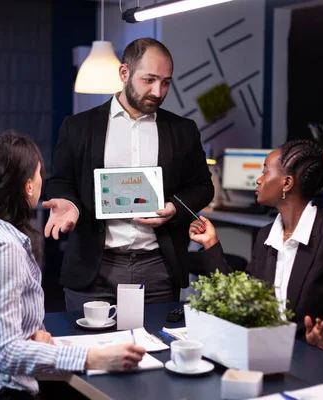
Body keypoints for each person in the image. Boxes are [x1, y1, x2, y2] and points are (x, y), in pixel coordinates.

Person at [0, 133, 145, 400]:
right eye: (39, 173)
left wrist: (32, 336)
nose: (42, 179)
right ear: (28, 187)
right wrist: (94, 358)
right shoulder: (3, 247)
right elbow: (7, 352)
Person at [44, 38, 214, 312]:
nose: (158, 91)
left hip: (159, 268)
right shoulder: (78, 127)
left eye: (166, 82)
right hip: (94, 267)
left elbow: (203, 187)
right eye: (149, 80)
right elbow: (62, 181)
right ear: (124, 73)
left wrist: (174, 207)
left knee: (157, 348)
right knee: (88, 349)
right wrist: (69, 203)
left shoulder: (183, 130)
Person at [189, 139, 323, 352]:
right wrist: (211, 244)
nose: (258, 180)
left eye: (265, 172)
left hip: (315, 360)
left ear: (287, 183)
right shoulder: (266, 236)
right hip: (265, 350)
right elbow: (243, 298)